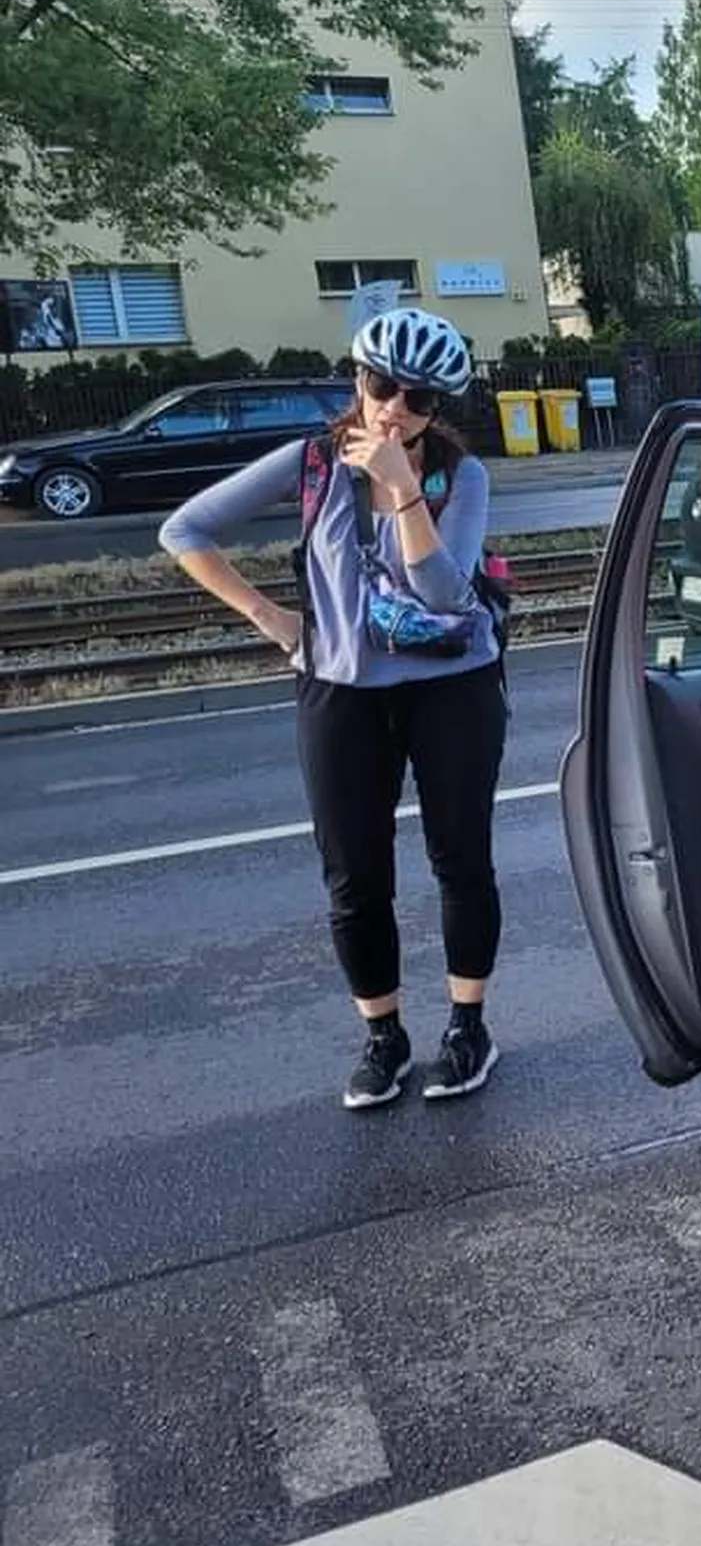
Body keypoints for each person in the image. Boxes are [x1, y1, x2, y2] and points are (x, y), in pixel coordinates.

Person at [160, 307, 507, 1111]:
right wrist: (272, 619)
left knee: (461, 859)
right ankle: (384, 1038)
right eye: (381, 384)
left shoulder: (463, 475)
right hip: (340, 690)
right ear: (357, 378)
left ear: (437, 408)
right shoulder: (309, 462)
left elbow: (444, 593)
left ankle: (468, 1028)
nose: (393, 407)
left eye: (416, 398)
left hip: (453, 687)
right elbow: (186, 530)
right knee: (355, 874)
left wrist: (401, 488)